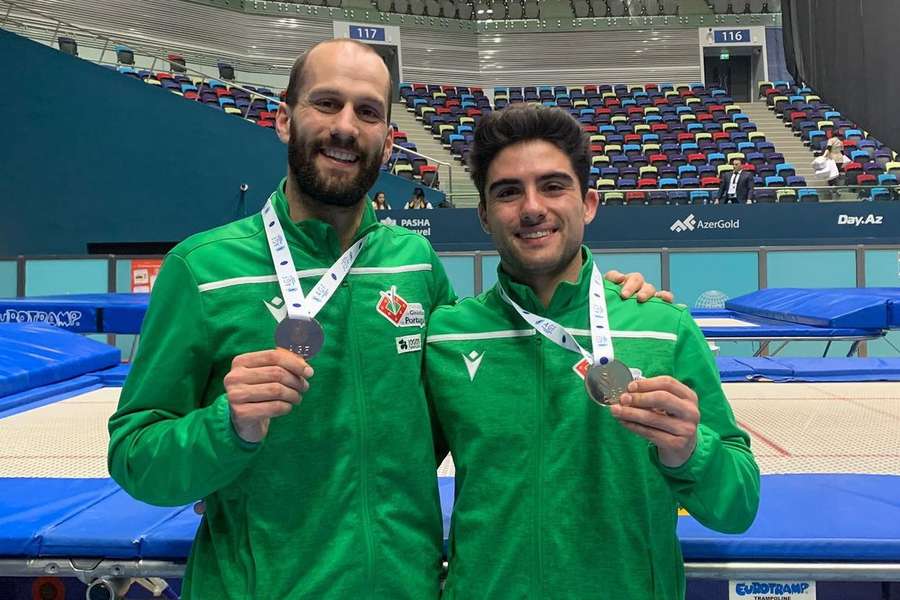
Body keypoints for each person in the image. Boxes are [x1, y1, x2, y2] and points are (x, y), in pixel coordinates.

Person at [107, 40, 661, 598]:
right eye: (326, 104)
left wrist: (610, 303)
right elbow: (135, 457)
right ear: (283, 118)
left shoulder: (416, 266)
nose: (346, 126)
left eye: (368, 111)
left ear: (389, 139)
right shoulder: (201, 270)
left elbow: (460, 417)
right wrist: (226, 428)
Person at [423, 105, 760, 599]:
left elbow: (739, 507)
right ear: (483, 215)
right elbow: (393, 475)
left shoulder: (662, 327)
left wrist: (691, 450)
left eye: (553, 186)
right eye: (508, 191)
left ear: (588, 204)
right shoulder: (449, 337)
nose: (532, 207)